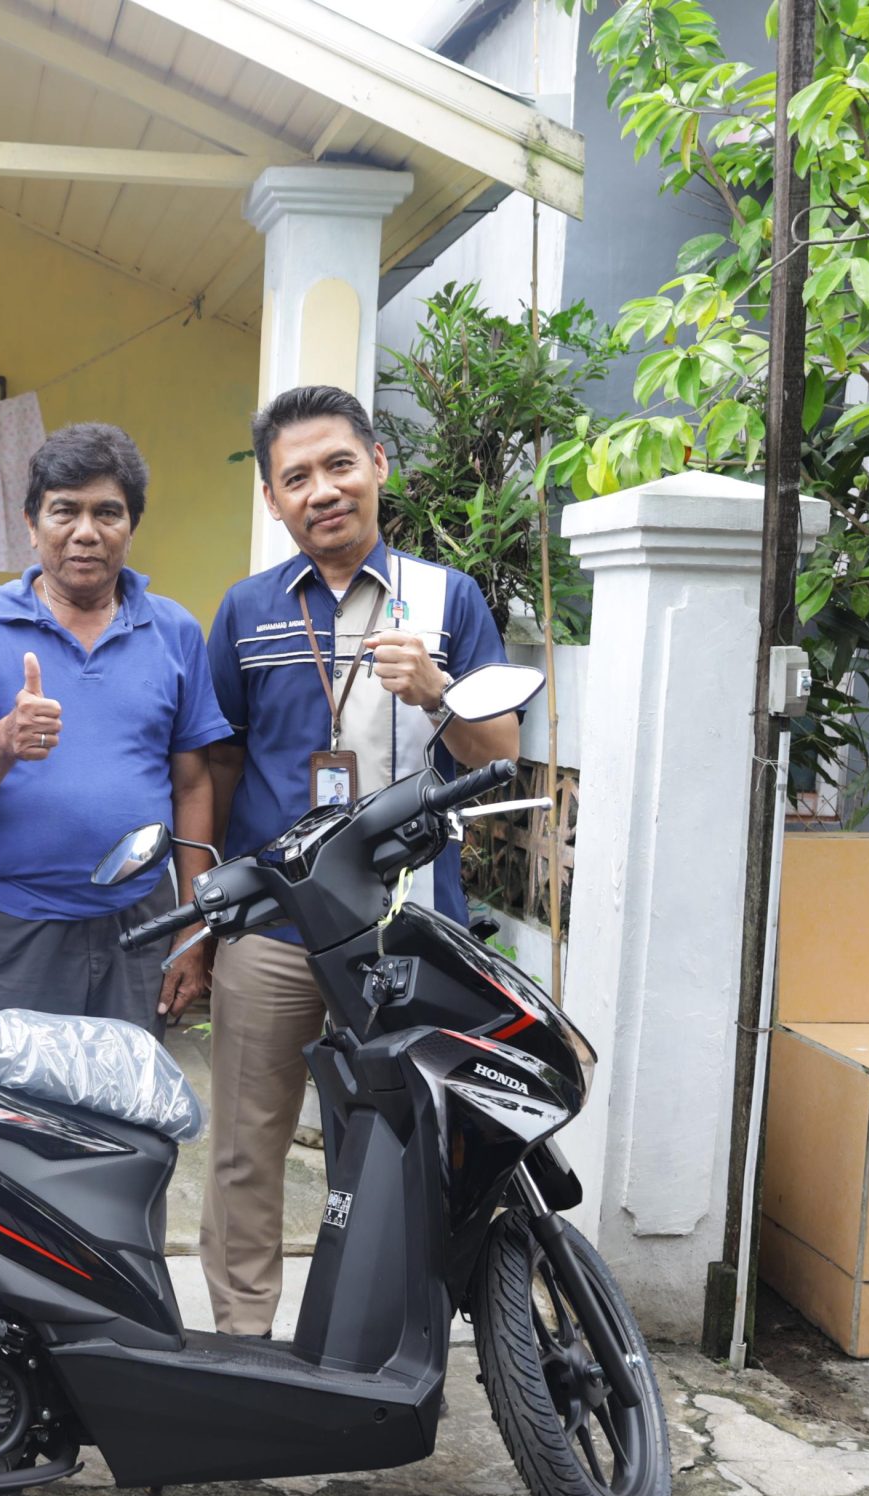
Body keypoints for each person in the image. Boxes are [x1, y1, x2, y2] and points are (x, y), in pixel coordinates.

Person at [198, 384, 520, 1338]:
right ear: (272, 499)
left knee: (398, 1144)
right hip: (275, 925)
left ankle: (380, 1347)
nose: (323, 490)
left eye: (339, 464)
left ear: (378, 465)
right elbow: (220, 764)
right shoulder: (247, 610)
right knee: (247, 1143)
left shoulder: (447, 599)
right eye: (296, 477)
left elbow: (500, 751)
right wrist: (210, 905)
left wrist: (437, 691)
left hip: (407, 924)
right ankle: (243, 1343)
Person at [0, 422, 228, 1030]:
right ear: (32, 525)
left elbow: (193, 786)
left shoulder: (174, 630)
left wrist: (193, 927)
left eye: (107, 512)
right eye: (64, 510)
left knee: (129, 1088)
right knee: (19, 1091)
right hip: (17, 926)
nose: (86, 531)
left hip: (142, 921)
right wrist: (5, 741)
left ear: (131, 528)